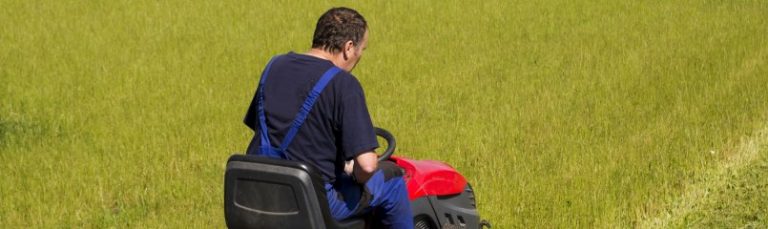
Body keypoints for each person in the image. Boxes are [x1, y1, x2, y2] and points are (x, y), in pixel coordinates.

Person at [243, 7, 413, 228]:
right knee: (392, 181)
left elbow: (269, 129)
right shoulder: (343, 84)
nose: (360, 56)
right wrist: (355, 173)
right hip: (310, 199)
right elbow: (368, 166)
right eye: (362, 49)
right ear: (349, 48)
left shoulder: (274, 66)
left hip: (257, 190)